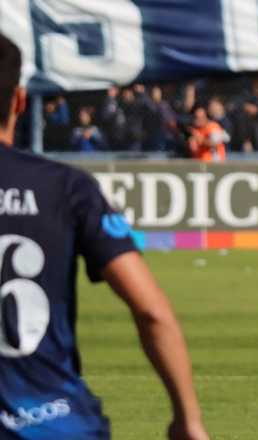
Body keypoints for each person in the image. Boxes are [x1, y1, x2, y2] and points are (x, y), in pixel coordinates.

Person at [0, 34, 208, 440]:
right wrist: (188, 420)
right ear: (20, 101)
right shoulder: (66, 188)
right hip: (53, 423)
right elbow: (152, 312)